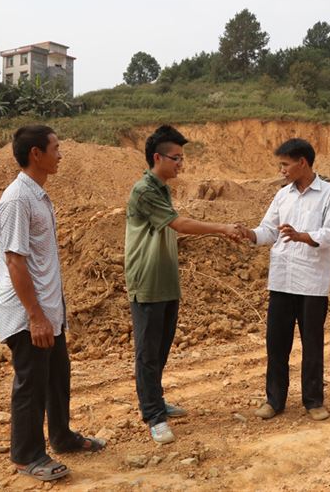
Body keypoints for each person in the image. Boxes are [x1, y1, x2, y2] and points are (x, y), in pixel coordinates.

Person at [0, 125, 105, 483]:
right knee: (31, 383)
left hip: (47, 309)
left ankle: (61, 436)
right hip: (29, 312)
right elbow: (15, 260)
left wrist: (50, 311)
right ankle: (26, 455)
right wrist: (35, 316)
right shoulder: (17, 199)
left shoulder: (38, 195)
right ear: (36, 154)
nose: (61, 154)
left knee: (57, 376)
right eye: (56, 148)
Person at [125, 125, 241, 444]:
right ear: (157, 158)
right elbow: (179, 224)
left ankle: (156, 400)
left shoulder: (161, 188)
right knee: (148, 353)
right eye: (176, 158)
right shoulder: (144, 190)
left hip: (165, 279)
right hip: (147, 279)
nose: (181, 163)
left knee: (161, 347)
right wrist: (222, 228)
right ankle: (153, 415)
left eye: (182, 158)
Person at [237, 138, 330, 421]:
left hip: (312, 282)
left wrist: (302, 236)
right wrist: (249, 234)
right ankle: (274, 400)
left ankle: (314, 401)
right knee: (276, 344)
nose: (281, 170)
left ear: (302, 163)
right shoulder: (282, 195)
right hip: (282, 280)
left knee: (312, 344)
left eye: (285, 164)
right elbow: (268, 231)